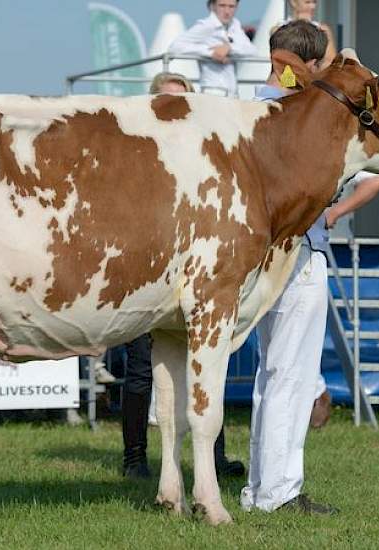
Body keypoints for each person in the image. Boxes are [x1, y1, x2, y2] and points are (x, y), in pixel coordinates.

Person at [239, 21, 379, 516]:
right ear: (313, 65)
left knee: (269, 371)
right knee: (292, 373)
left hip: (257, 250)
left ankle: (259, 488)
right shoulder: (310, 112)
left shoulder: (255, 106)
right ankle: (278, 492)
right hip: (299, 247)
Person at [120, 73, 245, 480]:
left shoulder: (205, 158)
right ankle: (135, 457)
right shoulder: (134, 154)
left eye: (181, 101)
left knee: (209, 363)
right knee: (140, 370)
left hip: (195, 275)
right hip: (146, 275)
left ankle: (216, 458)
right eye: (166, 100)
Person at [168, 0, 256, 98]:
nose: (227, 11)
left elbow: (252, 50)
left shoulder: (235, 25)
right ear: (212, 6)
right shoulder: (206, 25)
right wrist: (210, 53)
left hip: (233, 93)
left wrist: (229, 48)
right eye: (222, 6)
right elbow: (174, 47)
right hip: (212, 92)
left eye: (231, 7)